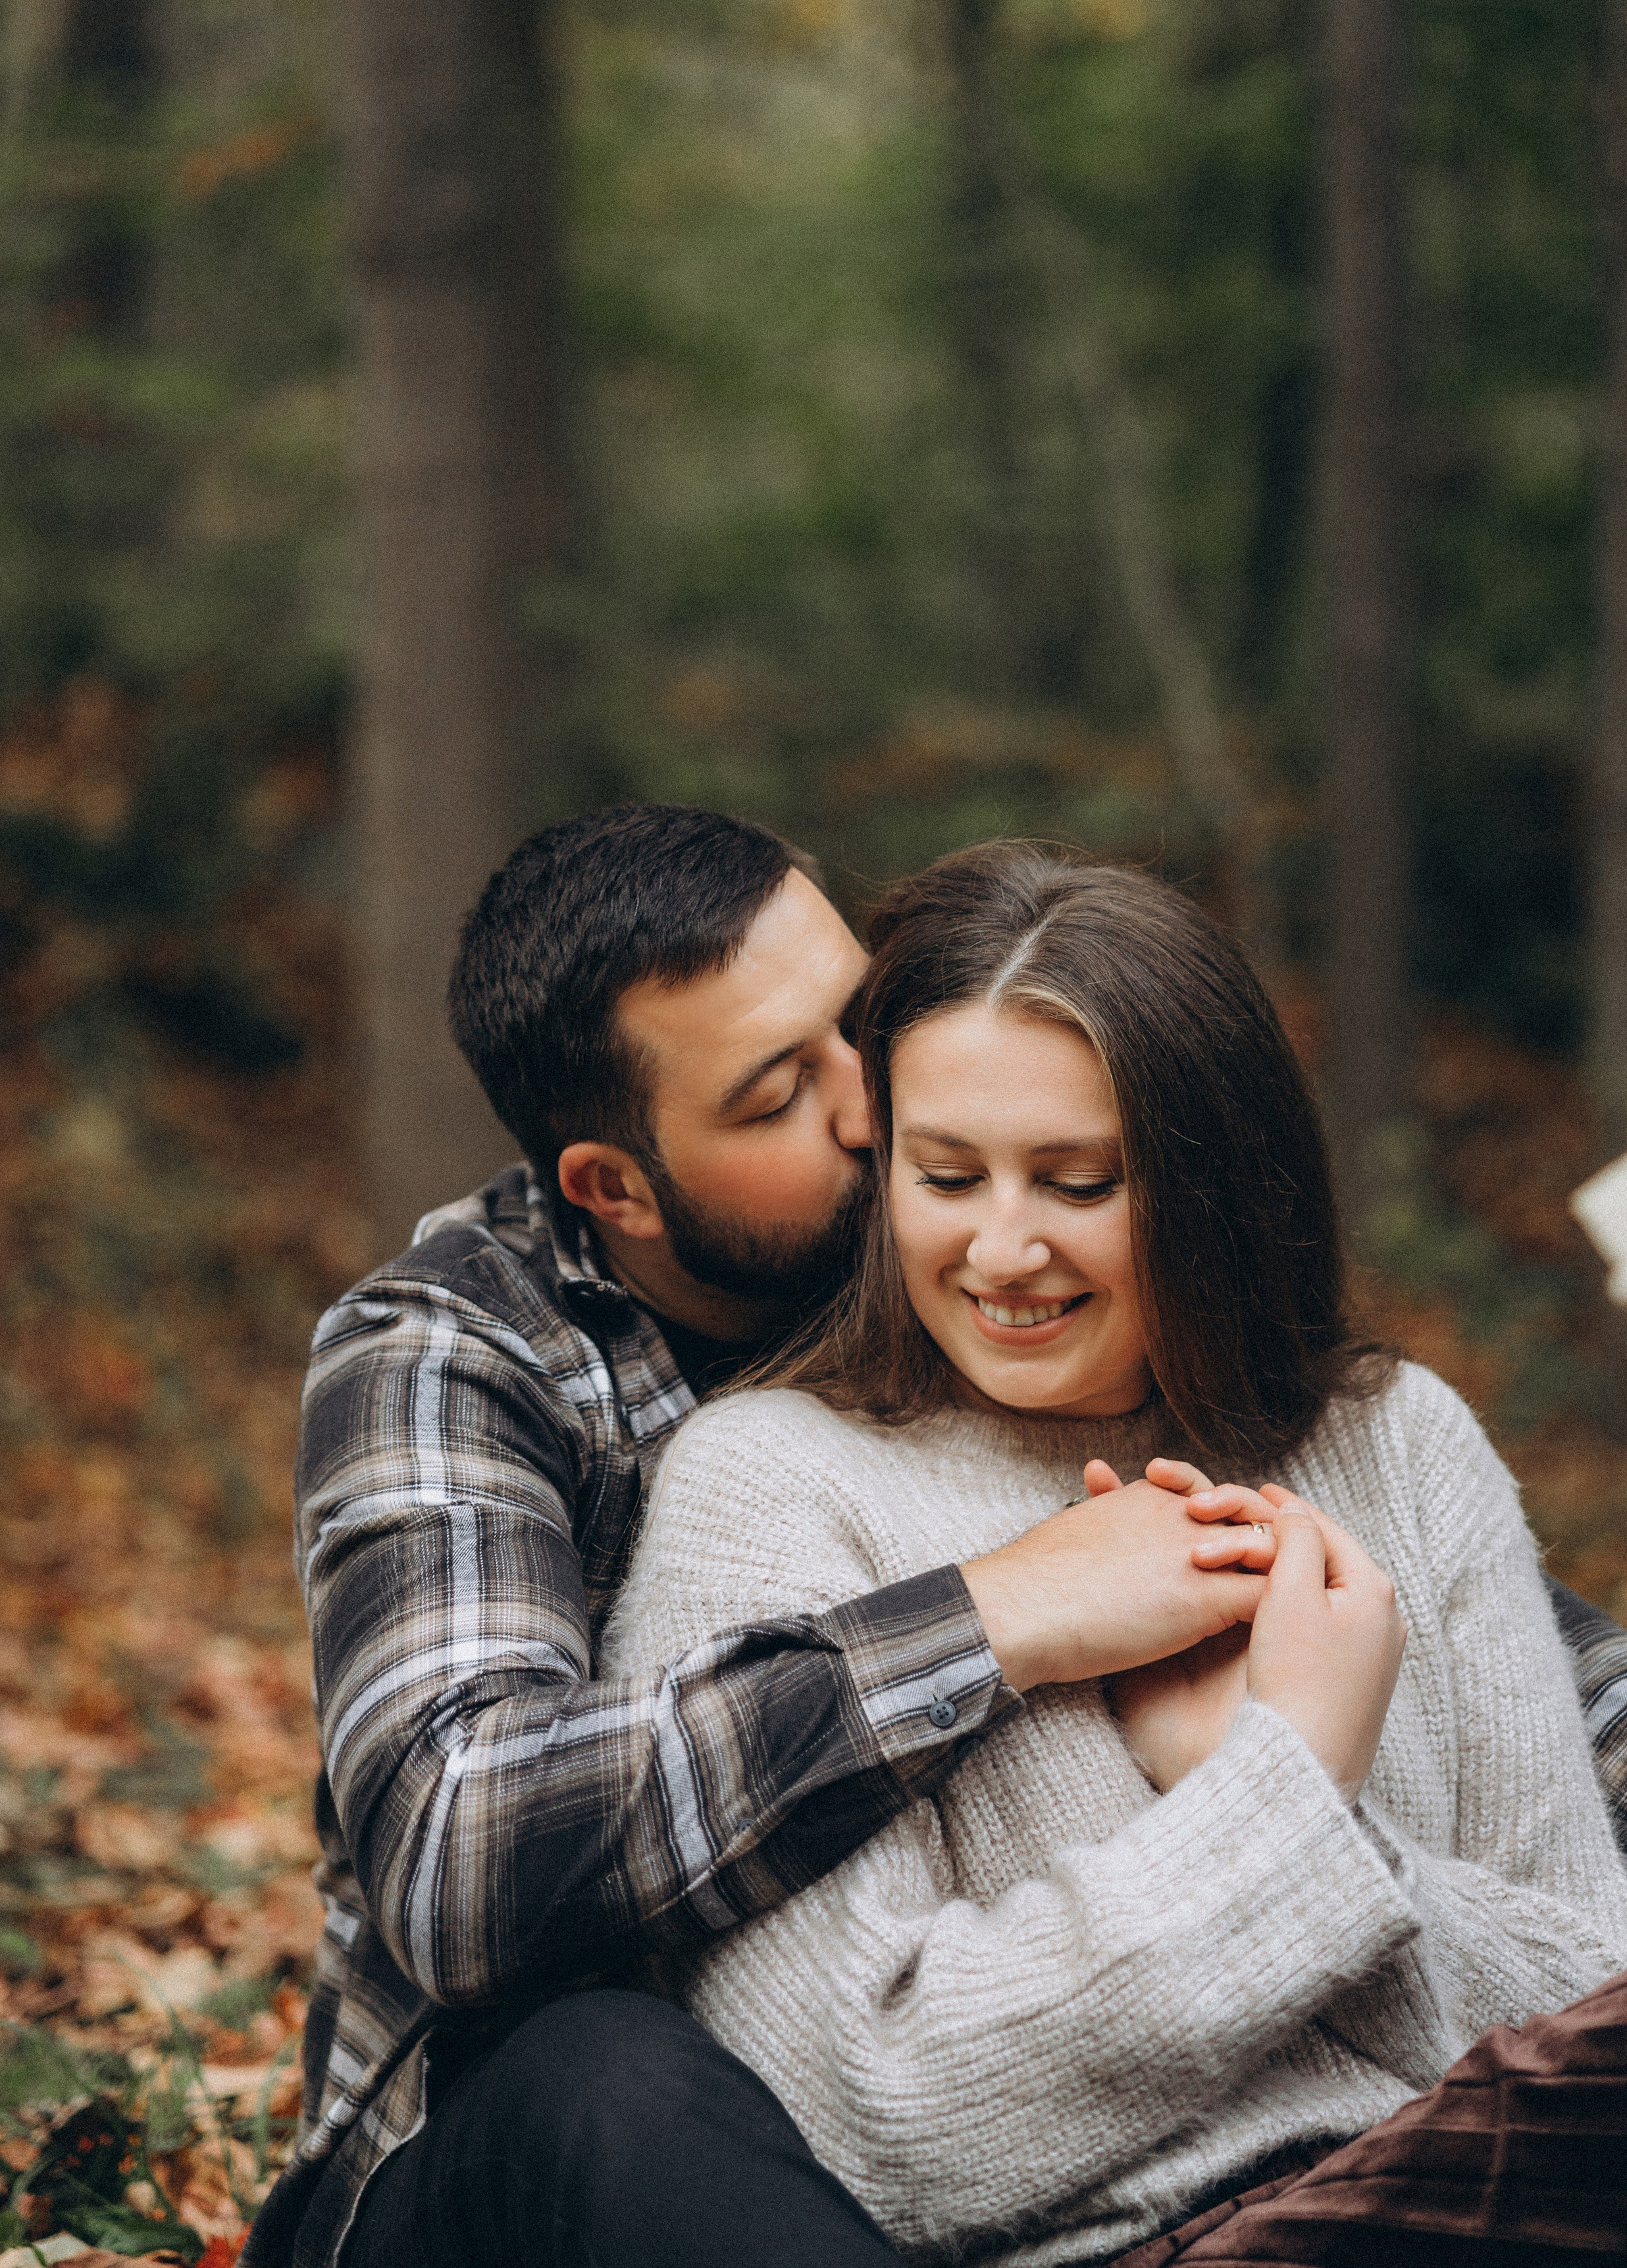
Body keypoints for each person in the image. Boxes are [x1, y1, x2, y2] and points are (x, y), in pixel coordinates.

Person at [249, 806, 1322, 2268]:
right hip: (508, 2168)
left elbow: (1489, 1635)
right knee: (607, 2071)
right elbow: (461, 1853)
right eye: (774, 1098)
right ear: (613, 1188)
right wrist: (997, 1614)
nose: (871, 1107)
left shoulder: (972, 1261)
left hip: (934, 2138)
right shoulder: (454, 1350)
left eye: (857, 1024)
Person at [600, 843, 1627, 2264]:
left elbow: (1590, 1999)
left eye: (1077, 1184)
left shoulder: (1397, 1440)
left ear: (1213, 1185)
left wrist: (1272, 1800)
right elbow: (871, 2113)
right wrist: (1281, 1798)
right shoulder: (771, 1485)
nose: (1000, 1250)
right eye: (945, 1175)